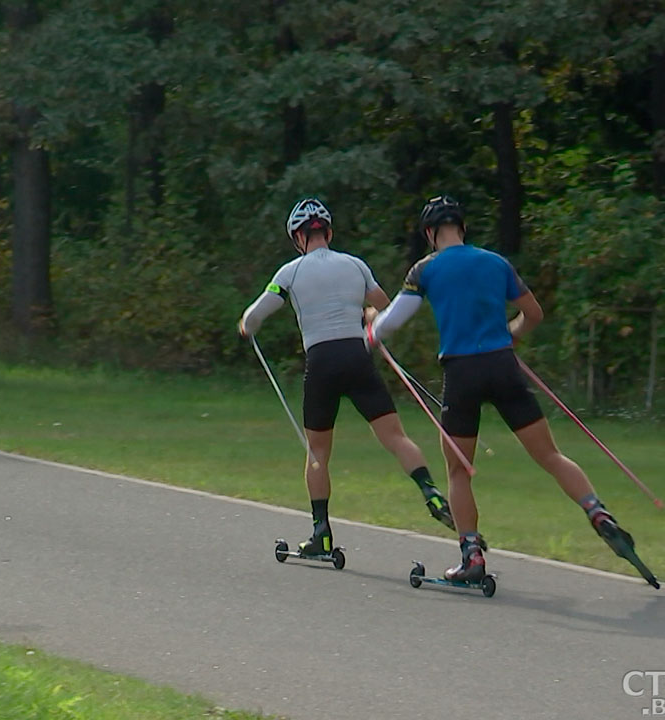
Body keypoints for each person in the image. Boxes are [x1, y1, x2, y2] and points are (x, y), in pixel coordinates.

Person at [369, 195, 639, 581]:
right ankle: (597, 510)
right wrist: (509, 335)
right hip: (503, 366)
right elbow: (534, 314)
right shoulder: (496, 263)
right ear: (462, 228)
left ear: (430, 233)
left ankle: (472, 556)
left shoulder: (425, 269)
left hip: (462, 373)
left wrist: (370, 332)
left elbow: (392, 322)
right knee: (550, 455)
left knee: (459, 471)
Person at [239, 197, 454, 558]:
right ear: (329, 232)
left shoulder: (289, 273)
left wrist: (247, 325)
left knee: (318, 451)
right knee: (395, 436)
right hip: (357, 357)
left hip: (321, 362)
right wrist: (369, 312)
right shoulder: (355, 265)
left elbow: (259, 311)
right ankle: (430, 491)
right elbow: (383, 304)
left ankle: (321, 532)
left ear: (298, 238)